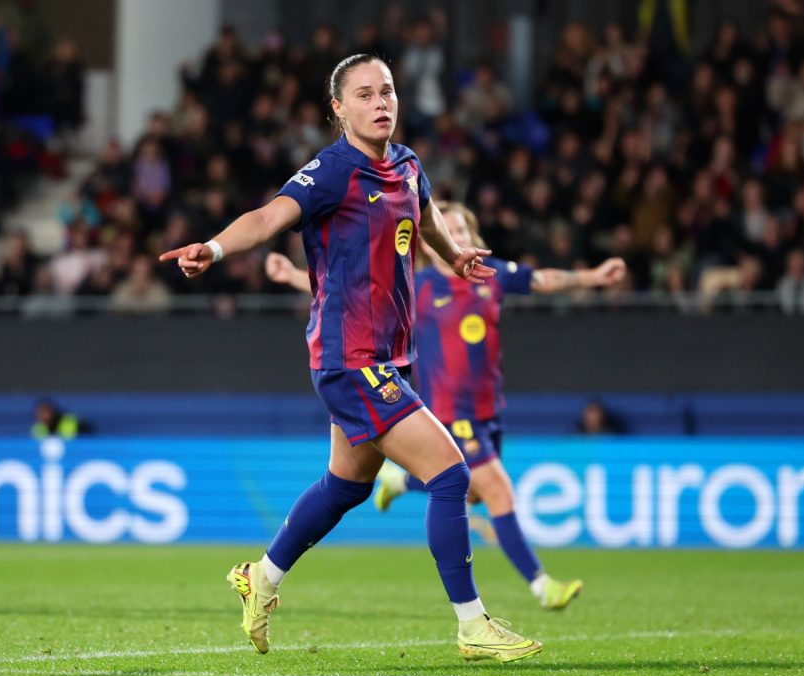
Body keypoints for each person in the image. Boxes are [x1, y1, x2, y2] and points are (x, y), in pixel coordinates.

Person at [160, 54, 541, 662]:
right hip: (351, 358)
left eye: (386, 91)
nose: (380, 102)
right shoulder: (332, 172)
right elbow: (268, 216)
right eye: (364, 94)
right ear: (338, 109)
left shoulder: (407, 164)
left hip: (389, 355)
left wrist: (452, 256)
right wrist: (214, 247)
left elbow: (427, 215)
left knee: (347, 486)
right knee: (450, 473)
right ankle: (473, 625)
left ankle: (261, 578)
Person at [267, 201, 626, 611]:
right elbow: (347, 294)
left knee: (471, 495)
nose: (456, 237)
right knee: (497, 491)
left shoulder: (490, 276)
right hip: (449, 412)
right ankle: (542, 586)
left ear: (473, 238)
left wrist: (594, 276)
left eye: (462, 230)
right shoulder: (417, 286)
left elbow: (542, 279)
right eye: (448, 231)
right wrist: (292, 275)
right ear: (430, 242)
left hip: (488, 411)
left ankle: (400, 482)